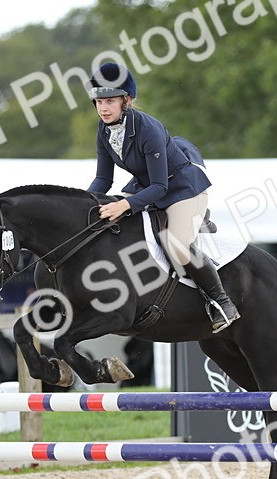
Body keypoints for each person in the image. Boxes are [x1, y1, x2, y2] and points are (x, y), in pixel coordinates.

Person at [85, 61, 239, 331]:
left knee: (176, 245)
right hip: (148, 189)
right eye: (99, 102)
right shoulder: (104, 130)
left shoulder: (149, 130)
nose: (103, 108)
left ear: (126, 100)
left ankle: (221, 302)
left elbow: (160, 187)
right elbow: (103, 180)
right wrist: (81, 204)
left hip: (181, 191)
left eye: (110, 101)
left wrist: (124, 204)